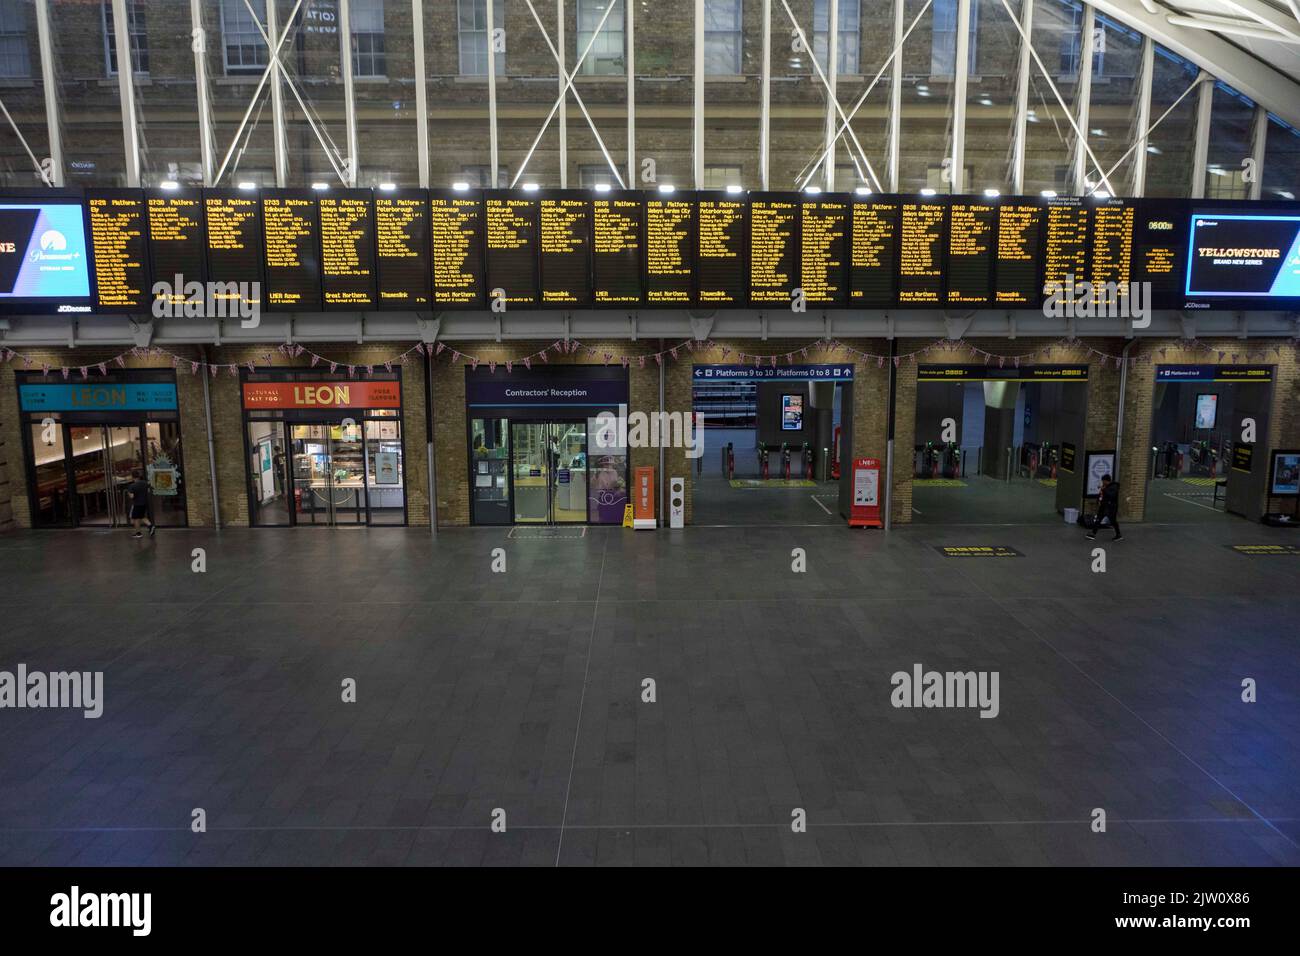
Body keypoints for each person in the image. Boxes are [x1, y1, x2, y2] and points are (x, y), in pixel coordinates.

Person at [1086, 474, 1122, 542]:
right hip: (1104, 506)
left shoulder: (1114, 486)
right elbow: (1102, 495)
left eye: (1103, 481)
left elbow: (1111, 495)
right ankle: (1093, 534)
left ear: (1106, 481)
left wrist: (1104, 489)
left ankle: (1118, 535)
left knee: (1113, 521)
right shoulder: (1106, 486)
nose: (1102, 482)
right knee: (1098, 519)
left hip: (1111, 507)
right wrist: (1098, 500)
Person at [126, 469, 155, 539]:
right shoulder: (145, 483)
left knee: (135, 519)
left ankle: (138, 533)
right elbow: (149, 488)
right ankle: (150, 526)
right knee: (141, 517)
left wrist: (129, 493)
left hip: (137, 504)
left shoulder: (132, 486)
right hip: (144, 503)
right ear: (139, 476)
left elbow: (132, 496)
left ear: (132, 477)